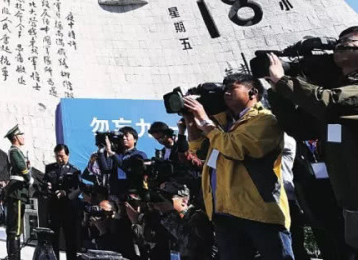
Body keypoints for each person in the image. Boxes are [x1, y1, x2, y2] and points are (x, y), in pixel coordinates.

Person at [267, 26, 358, 254]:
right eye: (337, 44)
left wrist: (284, 81)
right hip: (349, 198)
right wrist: (277, 91)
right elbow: (301, 129)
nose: (339, 47)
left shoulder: (343, 94)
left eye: (347, 42)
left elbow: (329, 102)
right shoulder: (335, 97)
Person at [183, 73, 293, 260]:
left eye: (232, 89)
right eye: (224, 89)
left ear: (253, 92)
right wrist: (190, 120)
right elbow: (199, 150)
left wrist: (205, 121)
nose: (226, 93)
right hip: (225, 212)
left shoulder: (264, 120)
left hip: (258, 211)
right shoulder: (224, 124)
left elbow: (235, 148)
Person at [153, 181, 213, 260]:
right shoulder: (170, 219)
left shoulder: (198, 217)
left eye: (169, 198)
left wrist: (169, 214)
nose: (165, 202)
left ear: (184, 201)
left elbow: (194, 242)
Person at [43, 144, 82, 260]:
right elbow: (45, 182)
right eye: (57, 156)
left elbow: (78, 189)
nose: (59, 159)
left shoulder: (74, 170)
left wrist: (66, 193)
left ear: (68, 155)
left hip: (68, 208)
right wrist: (47, 187)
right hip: (54, 206)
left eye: (62, 156)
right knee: (53, 236)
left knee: (70, 237)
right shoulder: (50, 168)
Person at [97, 126, 147, 198]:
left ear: (135, 139)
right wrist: (101, 151)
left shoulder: (139, 154)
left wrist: (112, 153)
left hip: (132, 193)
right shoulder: (117, 154)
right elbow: (106, 170)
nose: (124, 138)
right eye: (122, 137)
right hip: (115, 192)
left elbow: (127, 168)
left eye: (126, 136)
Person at [4, 125, 30, 260]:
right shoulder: (14, 151)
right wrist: (29, 178)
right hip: (17, 191)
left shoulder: (17, 151)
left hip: (19, 189)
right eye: (21, 135)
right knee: (16, 228)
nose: (23, 137)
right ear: (15, 137)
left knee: (15, 227)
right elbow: (21, 167)